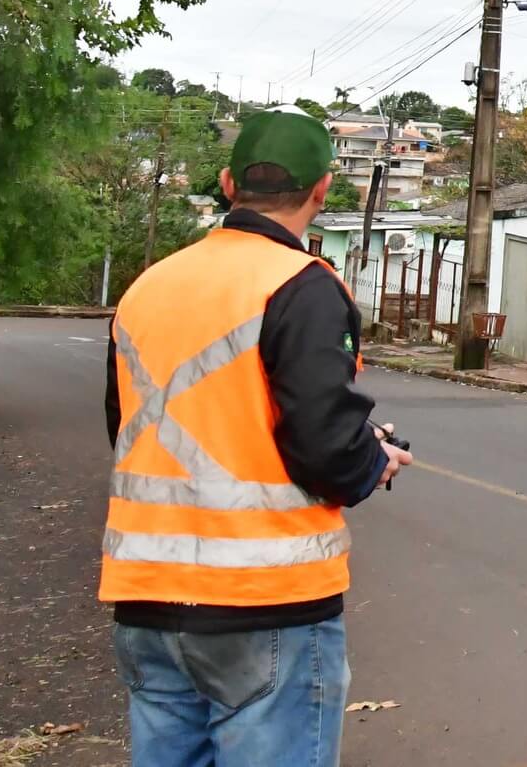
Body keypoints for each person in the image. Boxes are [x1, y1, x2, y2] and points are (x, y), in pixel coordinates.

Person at [101, 108, 413, 766]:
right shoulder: (303, 287)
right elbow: (325, 443)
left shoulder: (146, 288)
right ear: (324, 189)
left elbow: (126, 429)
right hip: (266, 604)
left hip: (146, 601)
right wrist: (372, 459)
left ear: (226, 182)